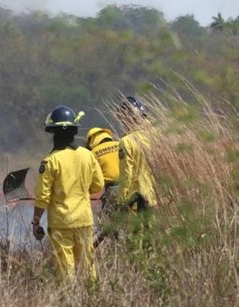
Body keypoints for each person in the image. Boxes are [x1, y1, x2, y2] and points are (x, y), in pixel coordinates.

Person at [32, 106, 104, 282]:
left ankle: (70, 303)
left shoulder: (50, 161)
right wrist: (79, 190)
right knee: (89, 267)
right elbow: (98, 185)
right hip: (84, 221)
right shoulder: (87, 156)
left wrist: (35, 221)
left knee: (66, 269)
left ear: (53, 133)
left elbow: (43, 197)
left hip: (61, 223)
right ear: (74, 131)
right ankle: (93, 299)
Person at [117, 96, 157, 212]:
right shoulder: (157, 136)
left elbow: (126, 175)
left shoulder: (126, 142)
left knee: (138, 230)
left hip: (137, 200)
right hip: (157, 198)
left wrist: (122, 200)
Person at [85, 127, 120, 215]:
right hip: (131, 187)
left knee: (107, 221)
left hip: (112, 190)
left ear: (91, 140)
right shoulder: (120, 144)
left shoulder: (93, 153)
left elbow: (91, 178)